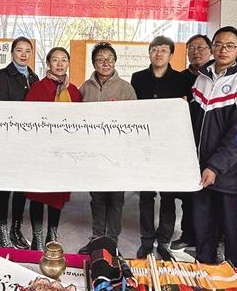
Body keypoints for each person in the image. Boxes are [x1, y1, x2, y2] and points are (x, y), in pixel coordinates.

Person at [189, 26, 237, 268]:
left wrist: (215, 166)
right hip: (201, 173)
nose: (223, 49)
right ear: (212, 48)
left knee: (235, 233)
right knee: (203, 230)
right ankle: (204, 275)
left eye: (230, 46)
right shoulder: (202, 78)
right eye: (219, 44)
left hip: (232, 176)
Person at [131, 36, 191, 260]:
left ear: (171, 55)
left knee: (168, 195)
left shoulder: (181, 80)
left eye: (164, 50)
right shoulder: (138, 78)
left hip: (169, 145)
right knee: (146, 196)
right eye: (154, 50)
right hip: (145, 144)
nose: (158, 54)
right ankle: (146, 240)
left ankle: (164, 241)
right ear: (149, 52)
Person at [78, 42, 137, 254]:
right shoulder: (85, 88)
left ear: (115, 62)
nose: (105, 63)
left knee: (115, 199)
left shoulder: (125, 88)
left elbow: (134, 121)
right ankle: (97, 238)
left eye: (109, 59)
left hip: (117, 154)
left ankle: (112, 242)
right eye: (100, 59)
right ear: (94, 63)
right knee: (97, 198)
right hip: (93, 153)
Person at [23, 46, 82, 251]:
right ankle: (37, 237)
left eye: (64, 60)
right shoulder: (38, 88)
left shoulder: (73, 91)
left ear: (68, 64)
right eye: (55, 60)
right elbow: (28, 118)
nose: (59, 64)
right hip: (41, 150)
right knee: (38, 194)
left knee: (57, 194)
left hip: (63, 151)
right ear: (48, 63)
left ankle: (52, 234)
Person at [0, 37, 40, 249]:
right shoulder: (2, 75)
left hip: (27, 141)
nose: (23, 54)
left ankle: (16, 229)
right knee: (5, 186)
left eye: (27, 51)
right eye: (19, 50)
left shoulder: (34, 77)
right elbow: (1, 108)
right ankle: (2, 232)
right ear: (12, 53)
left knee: (21, 187)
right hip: (8, 139)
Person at [174, 34, 212, 251]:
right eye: (192, 48)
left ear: (210, 50)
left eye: (201, 47)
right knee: (189, 194)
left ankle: (211, 240)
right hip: (184, 144)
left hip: (208, 144)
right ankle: (188, 235)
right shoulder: (179, 79)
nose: (196, 52)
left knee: (210, 196)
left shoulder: (215, 78)